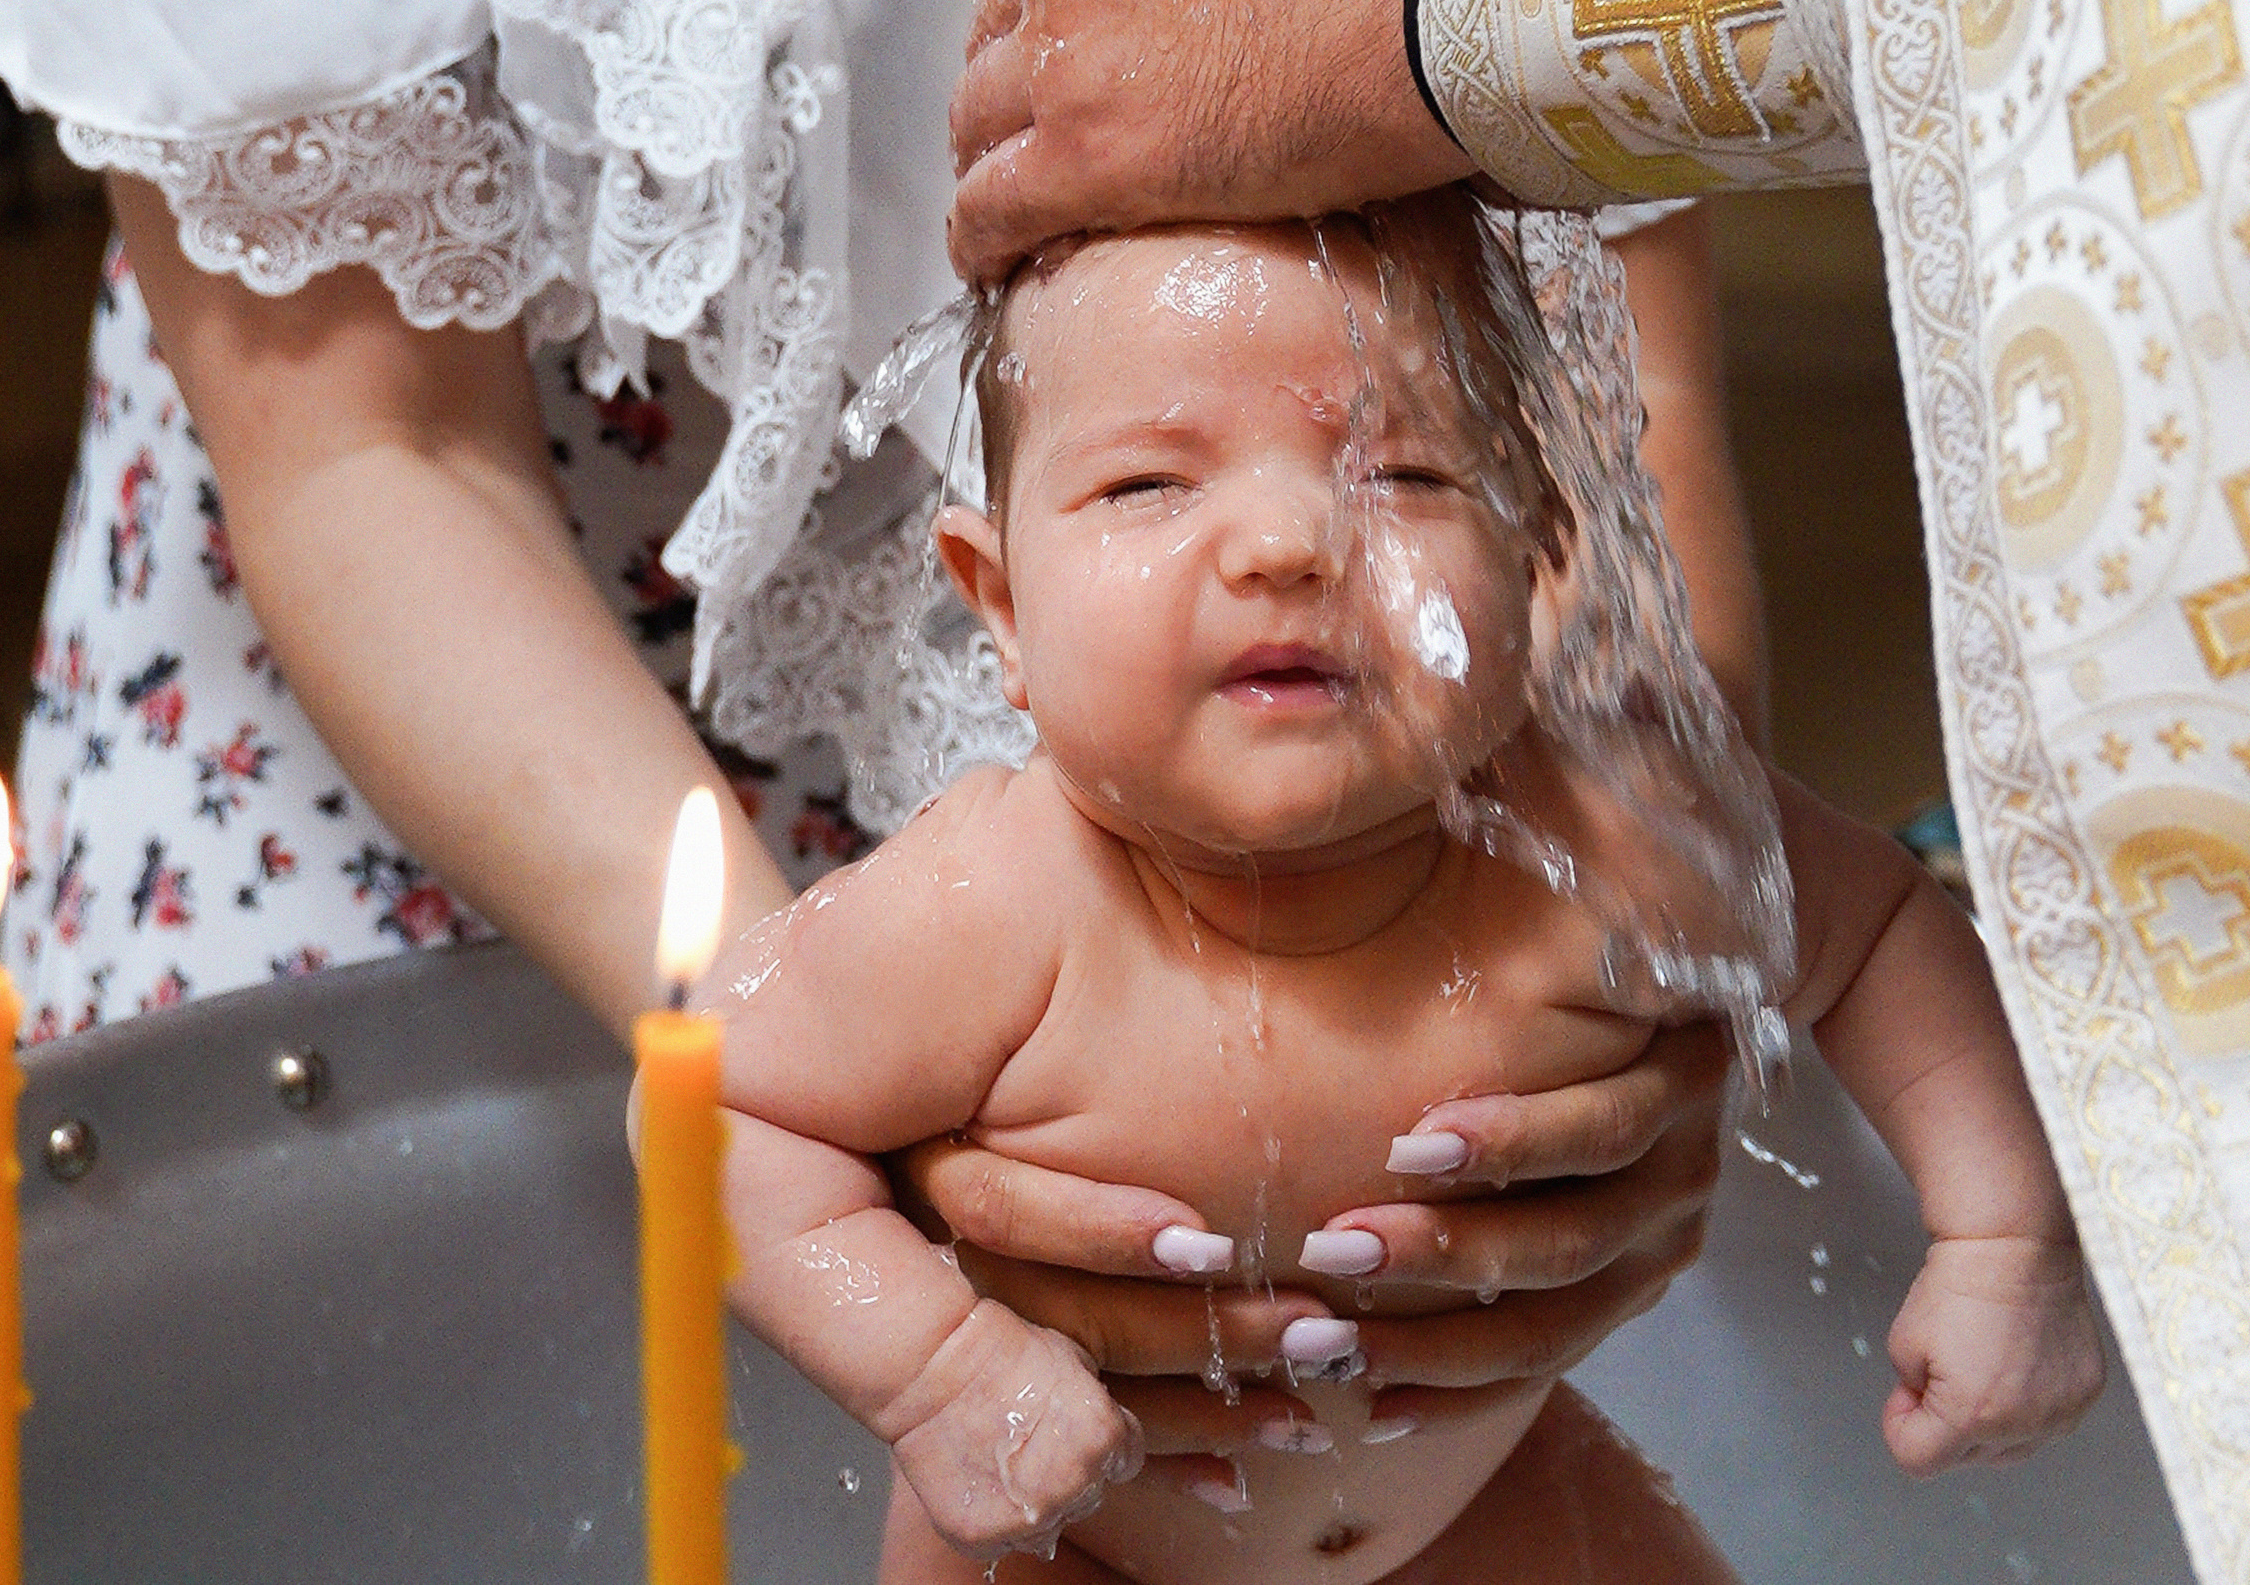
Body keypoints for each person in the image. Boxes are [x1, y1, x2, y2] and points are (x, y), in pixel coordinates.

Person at [0, 0, 1782, 1502]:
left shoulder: (1430, 607)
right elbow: (376, 456)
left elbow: (1612, 391)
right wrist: (832, 1101)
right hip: (435, 719)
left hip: (1334, 777)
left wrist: (1651, 936)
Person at [709, 190, 2102, 1584]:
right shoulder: (991, 907)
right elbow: (715, 1108)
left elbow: (1874, 937)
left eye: (1408, 474)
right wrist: (938, 1372)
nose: (1287, 544)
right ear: (999, 602)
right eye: (1148, 484)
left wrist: (2004, 1236)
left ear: (1542, 548)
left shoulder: (1605, 840)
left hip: (1488, 1505)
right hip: (1068, 1536)